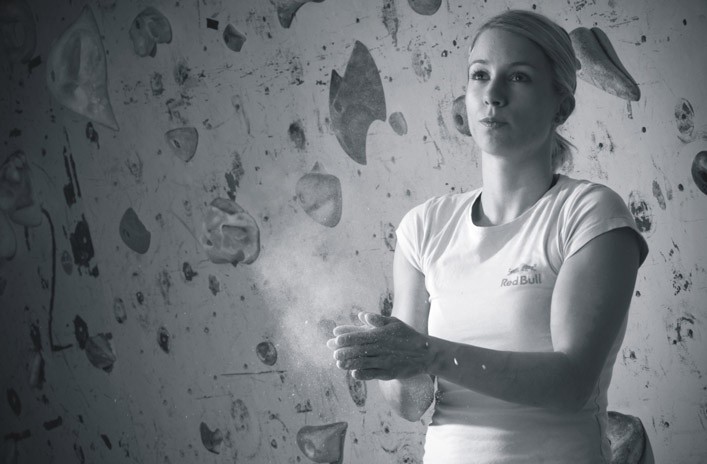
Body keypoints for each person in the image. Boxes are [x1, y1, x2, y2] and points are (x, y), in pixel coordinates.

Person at [327, 9, 652, 464]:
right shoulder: (424, 228)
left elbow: (571, 384)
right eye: (480, 75)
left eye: (518, 77)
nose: (492, 95)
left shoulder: (589, 214)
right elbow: (411, 404)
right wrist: (385, 355)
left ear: (561, 106)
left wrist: (425, 353)